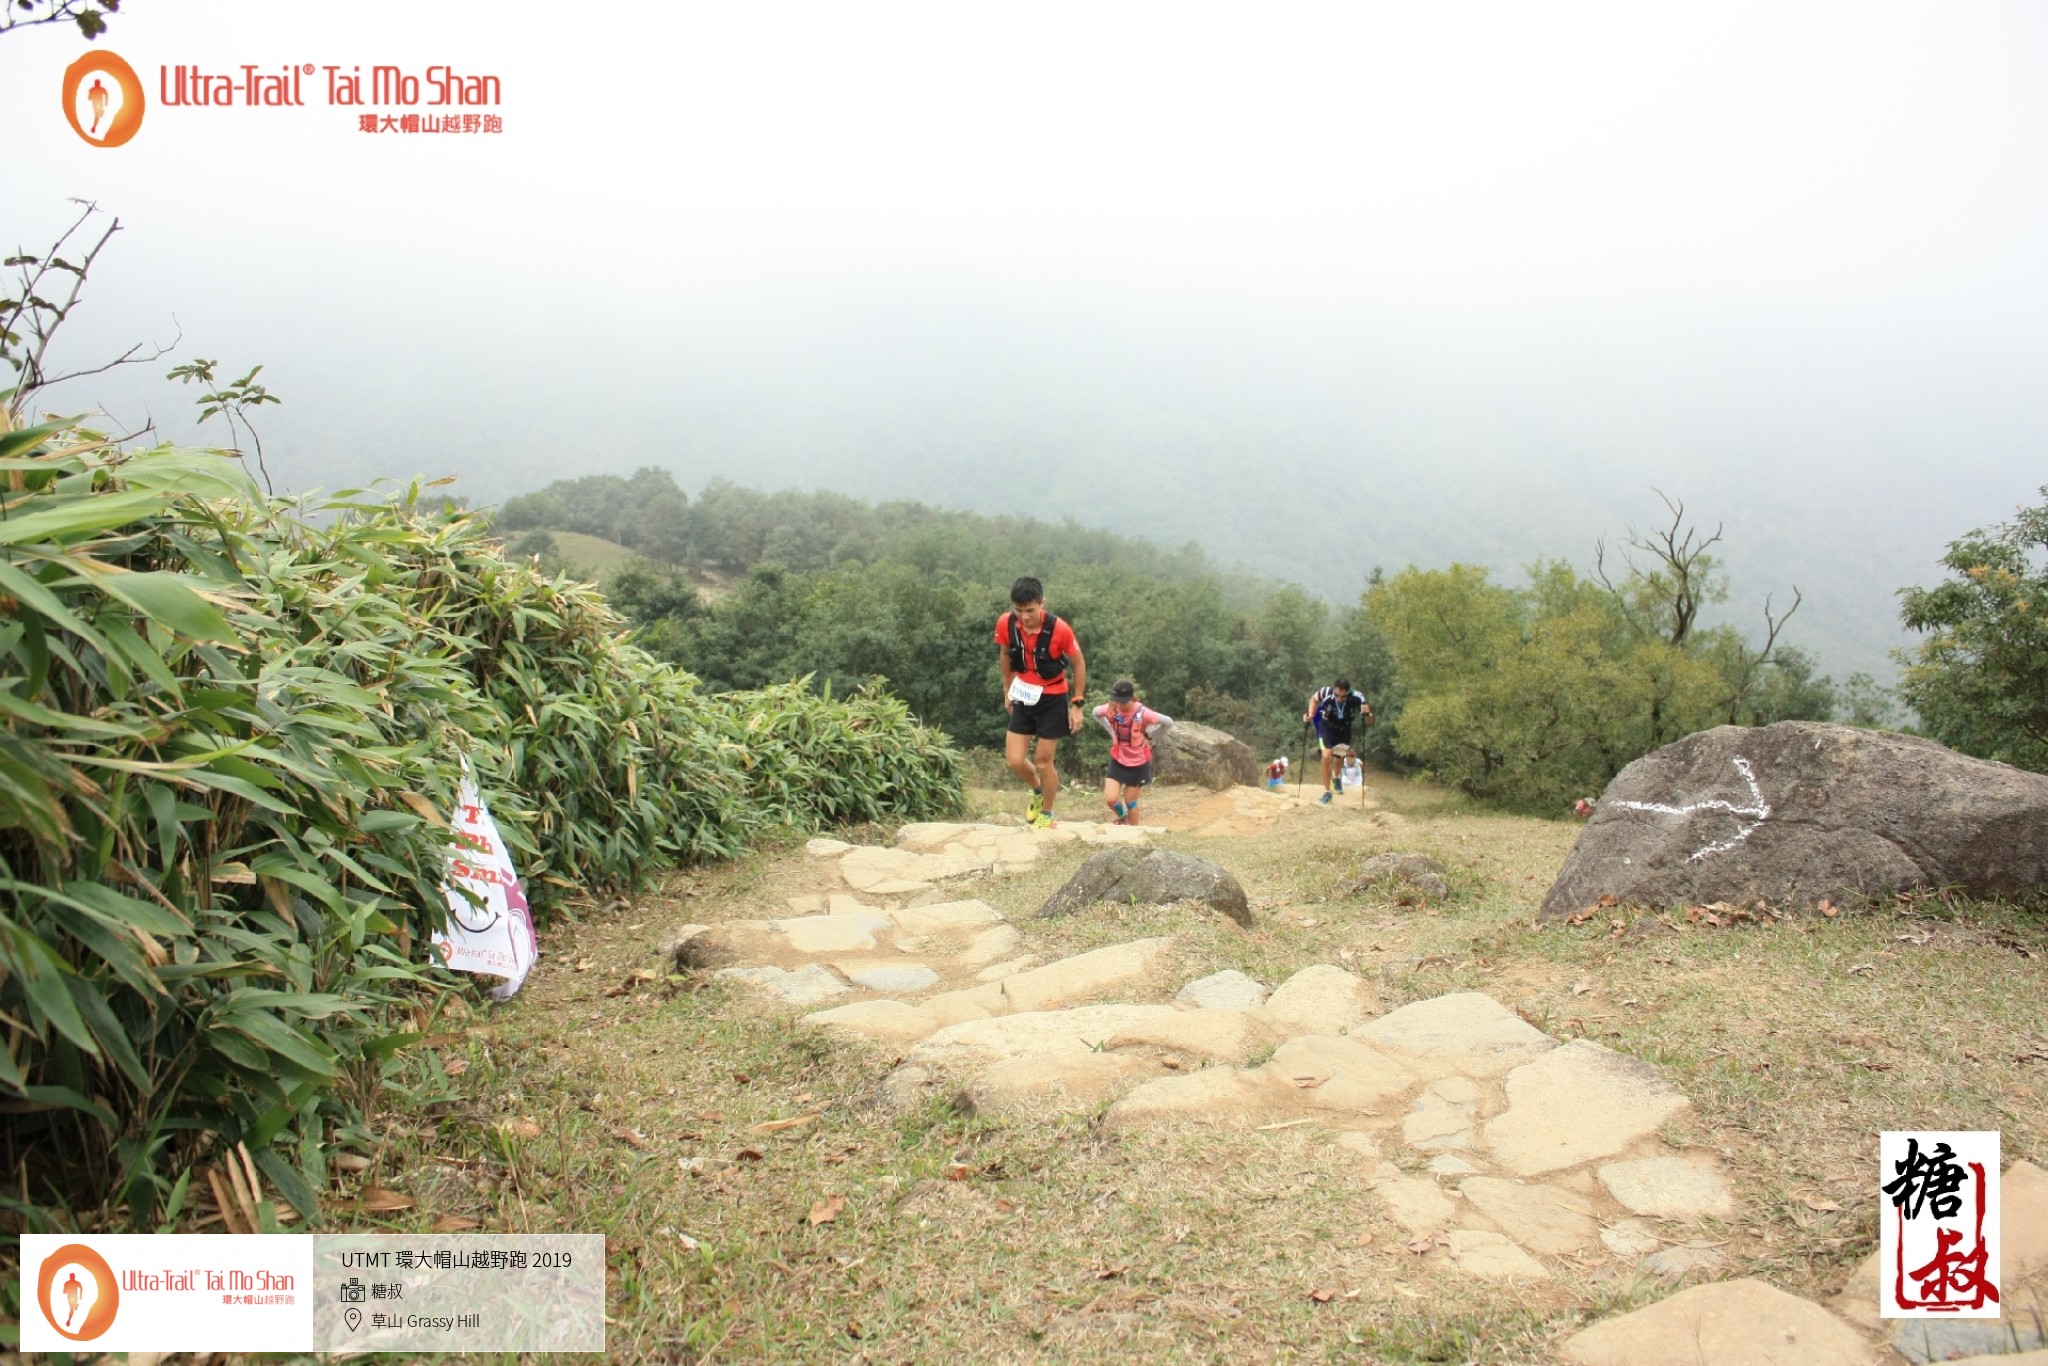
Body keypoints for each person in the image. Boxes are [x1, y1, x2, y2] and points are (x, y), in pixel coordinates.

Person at [996, 576, 1086, 828]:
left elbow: (1079, 663)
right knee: (1014, 760)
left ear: (1042, 603)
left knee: (1043, 762)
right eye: (1019, 610)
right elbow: (1005, 655)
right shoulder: (1007, 623)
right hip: (1023, 694)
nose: (1024, 617)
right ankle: (1037, 790)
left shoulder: (1060, 629)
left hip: (1052, 698)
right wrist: (1007, 689)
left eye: (1030, 610)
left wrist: (1077, 704)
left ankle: (1047, 813)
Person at [1094, 679, 1172, 824]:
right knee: (1111, 799)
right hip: (1118, 758)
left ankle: (1135, 832)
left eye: (1123, 701)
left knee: (1130, 801)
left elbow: (1168, 722)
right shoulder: (1112, 708)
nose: (1120, 704)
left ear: (1131, 697)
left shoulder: (1143, 713)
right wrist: (1111, 731)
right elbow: (1095, 713)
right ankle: (1123, 816)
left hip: (1138, 762)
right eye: (1117, 700)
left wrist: (1150, 736)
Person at [1303, 678, 1374, 804]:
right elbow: (1314, 699)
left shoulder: (1357, 698)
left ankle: (1336, 777)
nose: (1339, 698)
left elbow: (1369, 722)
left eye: (1343, 696)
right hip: (1327, 728)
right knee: (1326, 756)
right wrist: (1310, 714)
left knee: (1339, 758)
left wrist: (1368, 714)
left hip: (1344, 730)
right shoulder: (1326, 692)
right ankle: (1327, 792)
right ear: (1334, 690)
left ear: (1348, 692)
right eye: (1336, 695)